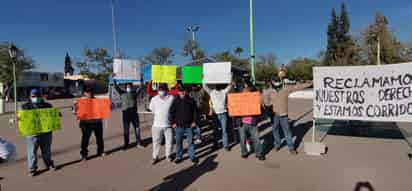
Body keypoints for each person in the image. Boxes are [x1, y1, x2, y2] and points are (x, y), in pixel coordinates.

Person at [263, 77, 312, 155]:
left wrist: (310, 83)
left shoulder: (286, 89)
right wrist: (268, 106)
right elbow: (265, 102)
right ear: (272, 82)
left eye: (278, 81)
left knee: (287, 131)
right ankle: (277, 144)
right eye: (275, 81)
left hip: (284, 114)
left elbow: (298, 87)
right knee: (275, 130)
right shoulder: (268, 91)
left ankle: (291, 148)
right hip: (274, 114)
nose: (277, 83)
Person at [21, 89, 56, 176]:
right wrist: (18, 119)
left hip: (46, 132)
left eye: (37, 96)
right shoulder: (25, 106)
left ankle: (49, 164)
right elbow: (22, 118)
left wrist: (56, 115)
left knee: (47, 151)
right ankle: (32, 169)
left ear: (41, 97)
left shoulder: (47, 106)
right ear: (30, 96)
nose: (35, 98)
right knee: (32, 152)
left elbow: (53, 116)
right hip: (32, 133)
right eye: (33, 96)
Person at [169, 86, 199, 164]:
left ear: (186, 91)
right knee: (178, 142)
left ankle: (192, 156)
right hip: (178, 126)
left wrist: (194, 121)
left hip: (189, 125)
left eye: (183, 91)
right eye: (180, 91)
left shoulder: (191, 100)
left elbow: (195, 112)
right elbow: (171, 112)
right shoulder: (175, 100)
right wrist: (173, 123)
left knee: (190, 142)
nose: (182, 93)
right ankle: (179, 156)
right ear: (178, 92)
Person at [75, 87, 105, 161]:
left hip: (97, 122)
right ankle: (84, 155)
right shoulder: (80, 101)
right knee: (85, 140)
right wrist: (75, 108)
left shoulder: (97, 101)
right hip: (86, 124)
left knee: (99, 138)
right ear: (84, 93)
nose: (89, 93)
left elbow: (102, 110)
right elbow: (76, 112)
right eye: (87, 92)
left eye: (91, 92)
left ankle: (100, 151)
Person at [113, 79, 143, 150]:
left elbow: (141, 87)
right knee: (126, 130)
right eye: (127, 86)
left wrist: (141, 79)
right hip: (126, 115)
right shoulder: (122, 93)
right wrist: (114, 80)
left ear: (132, 87)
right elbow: (116, 87)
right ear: (125, 87)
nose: (128, 87)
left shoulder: (134, 93)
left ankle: (138, 143)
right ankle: (126, 144)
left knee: (137, 129)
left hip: (134, 114)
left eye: (130, 86)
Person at [237, 85, 265, 160]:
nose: (245, 92)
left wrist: (259, 104)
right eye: (244, 91)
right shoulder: (238, 100)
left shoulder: (255, 100)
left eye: (247, 91)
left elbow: (261, 111)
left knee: (256, 139)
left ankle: (259, 154)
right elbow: (234, 110)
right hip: (242, 123)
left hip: (252, 123)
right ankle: (244, 153)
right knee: (242, 140)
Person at [149, 84, 175, 164]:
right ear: (157, 90)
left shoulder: (171, 98)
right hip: (157, 125)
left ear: (166, 90)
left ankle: (168, 155)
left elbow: (174, 110)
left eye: (163, 89)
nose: (161, 91)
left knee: (169, 141)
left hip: (168, 125)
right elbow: (152, 109)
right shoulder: (154, 99)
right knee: (156, 142)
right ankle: (155, 157)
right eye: (160, 89)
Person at [203, 83, 232, 151]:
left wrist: (230, 78)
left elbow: (229, 86)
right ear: (216, 86)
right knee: (216, 131)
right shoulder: (212, 92)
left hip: (223, 114)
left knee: (224, 131)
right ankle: (216, 145)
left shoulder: (223, 92)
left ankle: (225, 145)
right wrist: (203, 80)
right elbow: (205, 87)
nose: (219, 86)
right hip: (215, 115)